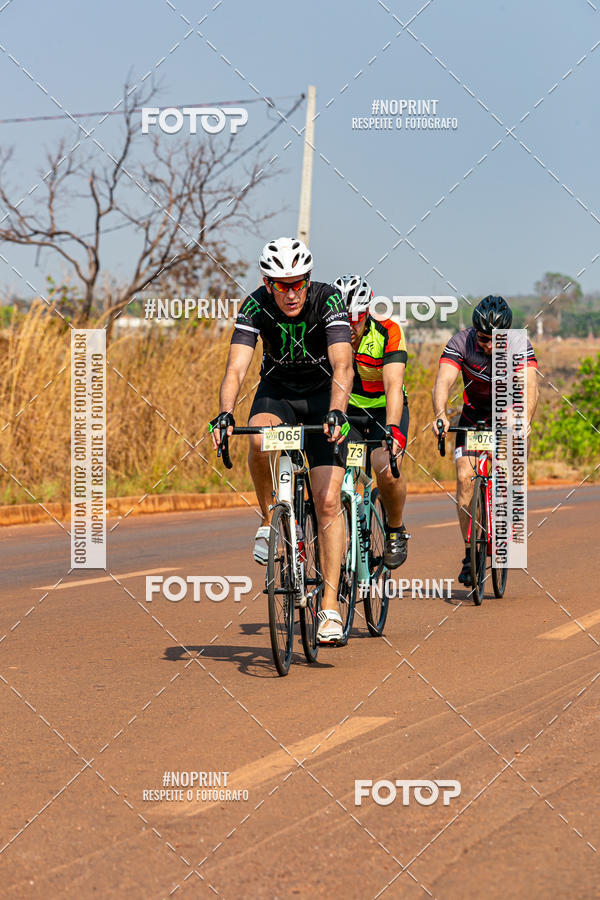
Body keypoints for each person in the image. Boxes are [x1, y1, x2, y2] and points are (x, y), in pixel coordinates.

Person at [210, 237, 354, 645]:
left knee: (327, 502)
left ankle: (329, 606)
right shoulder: (255, 305)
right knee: (258, 440)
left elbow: (343, 361)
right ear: (267, 282)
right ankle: (267, 517)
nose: (291, 293)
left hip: (325, 396)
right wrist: (225, 412)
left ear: (308, 279)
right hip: (278, 392)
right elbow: (236, 368)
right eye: (281, 284)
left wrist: (338, 410)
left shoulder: (327, 301)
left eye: (298, 283)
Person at [431, 295, 539, 586]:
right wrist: (440, 414)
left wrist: (525, 418)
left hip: (508, 413)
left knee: (509, 469)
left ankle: (504, 522)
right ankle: (470, 553)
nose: (489, 346)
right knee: (465, 477)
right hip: (474, 416)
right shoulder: (461, 343)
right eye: (483, 339)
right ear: (474, 331)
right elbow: (443, 381)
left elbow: (529, 385)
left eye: (495, 340)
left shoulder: (519, 345)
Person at [333, 275, 410, 567]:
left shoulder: (388, 331)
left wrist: (392, 428)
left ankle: (395, 529)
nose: (350, 327)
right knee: (335, 475)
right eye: (344, 319)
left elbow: (393, 386)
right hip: (348, 411)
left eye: (357, 318)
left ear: (367, 312)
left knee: (384, 467)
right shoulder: (326, 334)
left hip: (384, 410)